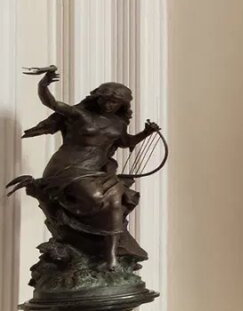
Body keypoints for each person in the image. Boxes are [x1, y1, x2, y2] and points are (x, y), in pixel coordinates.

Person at [5, 66, 160, 269]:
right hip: (67, 169)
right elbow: (52, 103)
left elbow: (124, 142)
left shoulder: (118, 123)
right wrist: (44, 84)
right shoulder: (80, 114)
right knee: (96, 197)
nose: (109, 104)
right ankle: (78, 235)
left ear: (122, 104)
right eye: (105, 99)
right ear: (97, 98)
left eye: (115, 102)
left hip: (95, 171)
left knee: (115, 201)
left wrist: (146, 133)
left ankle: (110, 258)